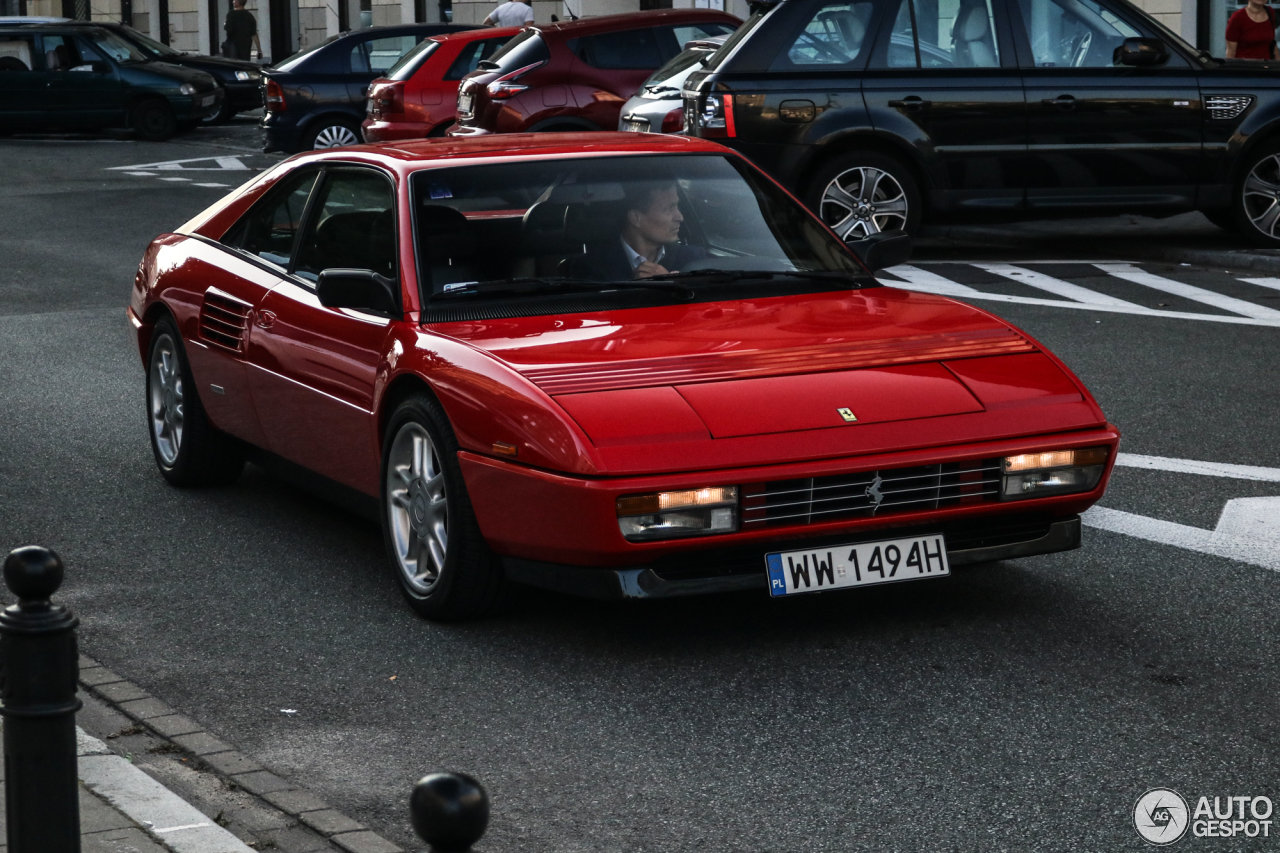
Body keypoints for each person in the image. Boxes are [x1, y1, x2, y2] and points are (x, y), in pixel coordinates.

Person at [570, 180, 706, 281]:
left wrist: (673, 283)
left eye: (677, 206)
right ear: (636, 218)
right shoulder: (592, 267)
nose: (680, 217)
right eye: (669, 208)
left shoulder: (694, 259)